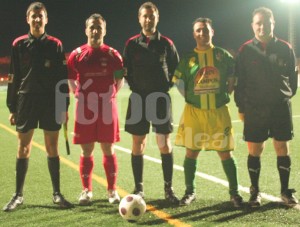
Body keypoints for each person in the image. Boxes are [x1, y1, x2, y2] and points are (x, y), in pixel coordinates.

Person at [3, 2, 73, 212]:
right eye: (33, 16)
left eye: (40, 16)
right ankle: (18, 195)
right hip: (26, 100)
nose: (36, 19)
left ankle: (57, 194)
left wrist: (64, 106)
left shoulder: (55, 44)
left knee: (53, 147)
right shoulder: (18, 44)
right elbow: (13, 77)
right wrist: (12, 107)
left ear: (46, 19)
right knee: (23, 147)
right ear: (27, 19)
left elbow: (62, 78)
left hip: (50, 101)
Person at [173, 17, 243, 207]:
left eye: (205, 30)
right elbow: (178, 80)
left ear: (212, 32)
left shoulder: (222, 55)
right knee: (191, 152)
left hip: (219, 111)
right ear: (193, 34)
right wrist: (187, 95)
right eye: (198, 30)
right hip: (194, 112)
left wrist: (230, 86)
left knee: (225, 153)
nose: (202, 33)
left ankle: (234, 193)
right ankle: (190, 192)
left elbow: (234, 73)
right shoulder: (188, 58)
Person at [234, 7, 298, 207]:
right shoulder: (245, 50)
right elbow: (240, 82)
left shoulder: (285, 48)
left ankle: (285, 191)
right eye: (258, 23)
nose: (262, 26)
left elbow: (293, 81)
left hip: (280, 107)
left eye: (266, 23)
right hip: (254, 108)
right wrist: (241, 107)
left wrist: (284, 96)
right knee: (255, 149)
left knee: (282, 148)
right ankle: (255, 192)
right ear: (253, 25)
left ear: (273, 24)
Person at [123, 2, 179, 204]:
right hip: (138, 98)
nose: (148, 19)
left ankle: (168, 189)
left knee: (164, 143)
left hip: (160, 99)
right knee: (138, 143)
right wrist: (134, 86)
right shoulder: (131, 44)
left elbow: (176, 69)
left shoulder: (167, 44)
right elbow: (124, 69)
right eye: (144, 16)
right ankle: (139, 189)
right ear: (139, 19)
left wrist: (166, 86)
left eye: (151, 16)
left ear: (157, 18)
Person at [67, 13, 124, 205]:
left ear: (104, 30)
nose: (95, 30)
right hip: (85, 109)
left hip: (107, 108)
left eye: (99, 27)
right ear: (86, 30)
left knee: (108, 148)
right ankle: (86, 191)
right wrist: (82, 97)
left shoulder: (114, 55)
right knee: (87, 150)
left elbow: (119, 81)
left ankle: (112, 191)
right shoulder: (76, 55)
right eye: (92, 27)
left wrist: (107, 97)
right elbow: (71, 80)